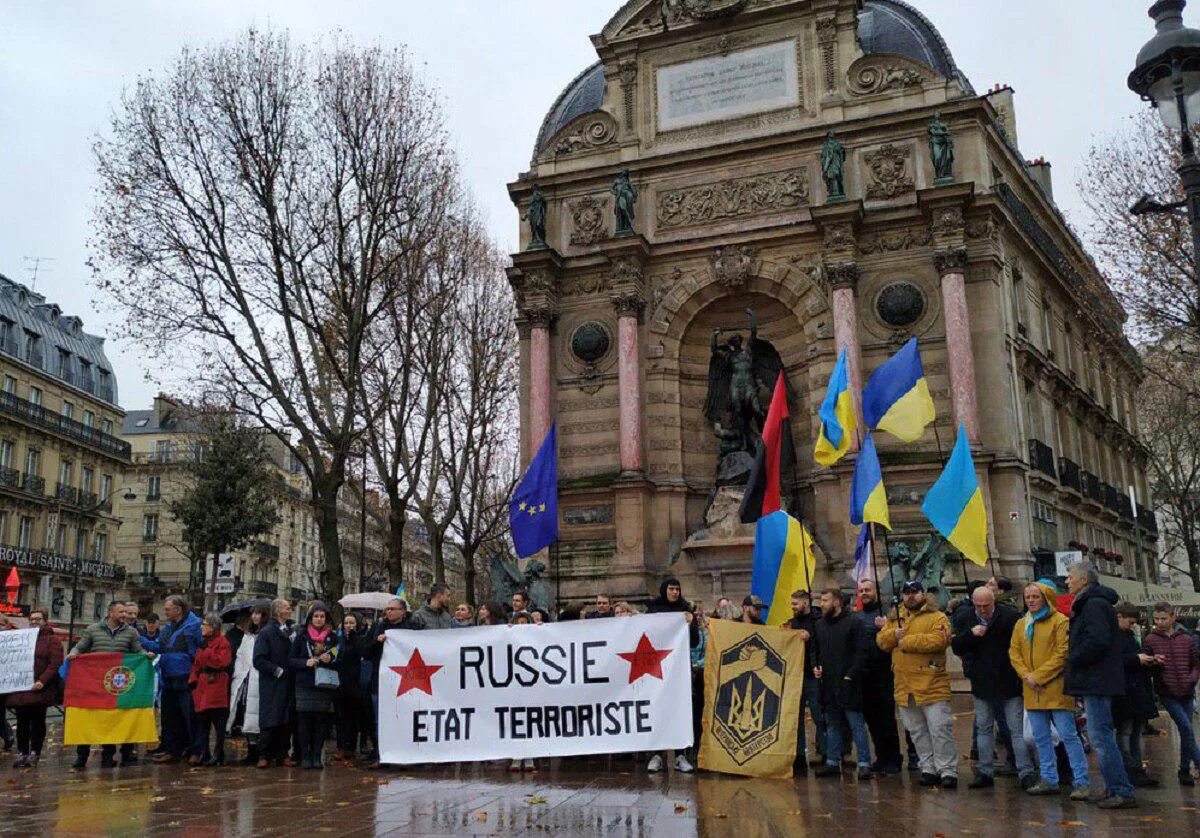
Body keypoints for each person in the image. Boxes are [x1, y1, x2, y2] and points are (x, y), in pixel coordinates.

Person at [1009, 580, 1091, 798]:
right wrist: (1027, 675)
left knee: (1068, 736)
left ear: (1045, 598)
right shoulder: (1021, 624)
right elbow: (1014, 653)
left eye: (1035, 597)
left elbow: (1062, 654)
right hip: (1032, 689)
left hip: (1056, 688)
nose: (1031, 601)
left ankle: (1081, 780)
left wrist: (1038, 676)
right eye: (1028, 597)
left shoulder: (1059, 621)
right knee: (1040, 737)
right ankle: (1049, 778)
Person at [1064, 561, 1136, 809]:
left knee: (1101, 737)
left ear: (1084, 580)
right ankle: (1113, 787)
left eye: (1070, 576)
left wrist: (1073, 657)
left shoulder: (1093, 604)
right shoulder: (1094, 603)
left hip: (1097, 680)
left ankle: (1121, 790)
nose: (1067, 581)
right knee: (1101, 736)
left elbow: (1098, 640)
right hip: (1097, 679)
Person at [951, 585, 1034, 790]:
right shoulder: (966, 617)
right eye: (978, 605)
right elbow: (956, 646)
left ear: (993, 601)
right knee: (984, 728)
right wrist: (971, 634)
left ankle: (1026, 771)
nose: (982, 609)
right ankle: (985, 771)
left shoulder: (1010, 616)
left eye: (986, 605)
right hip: (982, 682)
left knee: (1016, 730)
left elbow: (1021, 645)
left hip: (1008, 681)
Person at [877, 580, 958, 789]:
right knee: (916, 731)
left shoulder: (937, 616)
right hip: (904, 685)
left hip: (932, 682)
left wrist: (907, 642)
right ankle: (928, 767)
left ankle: (947, 769)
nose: (910, 596)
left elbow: (939, 640)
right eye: (906, 592)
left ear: (923, 594)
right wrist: (892, 635)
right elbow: (882, 642)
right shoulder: (895, 617)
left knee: (940, 729)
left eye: (914, 592)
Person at [67, 600, 151, 769]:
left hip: (117, 685)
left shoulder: (131, 632)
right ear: (110, 613)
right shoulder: (92, 629)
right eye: (121, 612)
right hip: (95, 683)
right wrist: (73, 654)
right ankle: (81, 756)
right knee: (89, 718)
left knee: (112, 719)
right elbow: (80, 647)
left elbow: (137, 651)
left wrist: (146, 656)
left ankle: (108, 755)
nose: (124, 615)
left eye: (125, 613)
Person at [812, 588, 872, 780]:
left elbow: (861, 652)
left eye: (825, 600)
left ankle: (864, 763)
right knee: (833, 724)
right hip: (828, 683)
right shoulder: (820, 625)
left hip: (849, 682)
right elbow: (817, 650)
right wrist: (816, 666)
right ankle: (832, 760)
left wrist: (851, 675)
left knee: (856, 724)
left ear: (837, 602)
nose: (822, 604)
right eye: (821, 600)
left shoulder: (854, 623)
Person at [139, 595, 203, 764]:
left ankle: (195, 750)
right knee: (170, 716)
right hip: (168, 676)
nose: (165, 612)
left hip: (186, 677)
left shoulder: (195, 625)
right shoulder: (169, 628)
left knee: (189, 716)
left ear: (178, 609)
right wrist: (140, 639)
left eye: (167, 609)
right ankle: (172, 749)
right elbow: (159, 646)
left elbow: (199, 650)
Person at [1142, 602, 1200, 787]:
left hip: (1187, 690)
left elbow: (1196, 663)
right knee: (1186, 728)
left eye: (1163, 618)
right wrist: (1153, 663)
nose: (1159, 622)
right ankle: (1194, 765)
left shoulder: (1186, 639)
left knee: (1186, 730)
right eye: (1157, 619)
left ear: (1172, 617)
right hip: (1167, 691)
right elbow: (1146, 666)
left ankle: (1184, 770)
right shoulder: (1150, 640)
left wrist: (1192, 679)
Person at [645, 577, 699, 773]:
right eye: (671, 589)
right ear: (664, 590)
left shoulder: (686, 610)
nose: (675, 592)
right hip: (656, 669)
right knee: (657, 709)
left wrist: (692, 623)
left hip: (678, 669)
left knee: (680, 710)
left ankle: (680, 755)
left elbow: (693, 642)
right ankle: (656, 755)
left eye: (677, 589)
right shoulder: (653, 609)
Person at [856, 579, 902, 774]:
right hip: (865, 674)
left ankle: (894, 757)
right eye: (861, 590)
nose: (864, 593)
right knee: (872, 719)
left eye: (867, 590)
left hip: (884, 672)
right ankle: (881, 756)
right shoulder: (857, 616)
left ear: (876, 591)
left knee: (886, 718)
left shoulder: (888, 614)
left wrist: (886, 626)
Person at [359, 597, 411, 766]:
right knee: (378, 718)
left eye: (392, 609)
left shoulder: (411, 628)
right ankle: (380, 753)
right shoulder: (378, 627)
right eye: (387, 609)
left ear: (402, 611)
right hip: (380, 681)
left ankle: (403, 753)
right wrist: (377, 642)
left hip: (405, 681)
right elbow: (365, 652)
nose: (388, 612)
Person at [8, 607, 62, 769]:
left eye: (38, 619)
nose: (34, 622)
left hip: (40, 688)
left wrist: (42, 681)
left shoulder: (52, 640)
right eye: (32, 619)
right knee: (21, 721)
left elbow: (54, 664)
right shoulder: (23, 638)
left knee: (38, 721)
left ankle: (34, 753)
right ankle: (22, 752)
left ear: (45, 621)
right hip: (21, 687)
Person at [1113, 603, 1160, 788]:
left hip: (1135, 691)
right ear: (1119, 617)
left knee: (1134, 733)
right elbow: (1115, 661)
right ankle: (1131, 770)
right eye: (1130, 622)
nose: (1132, 625)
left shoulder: (1128, 636)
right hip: (1126, 692)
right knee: (1126, 733)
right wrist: (1137, 659)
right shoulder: (1115, 637)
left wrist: (1149, 660)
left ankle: (1137, 769)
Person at [289, 601, 340, 769]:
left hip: (324, 685)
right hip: (305, 684)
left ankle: (317, 755)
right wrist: (305, 662)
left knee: (321, 722)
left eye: (322, 616)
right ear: (310, 618)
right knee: (304, 722)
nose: (319, 619)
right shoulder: (301, 635)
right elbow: (290, 660)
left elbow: (340, 659)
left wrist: (330, 660)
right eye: (316, 616)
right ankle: (305, 756)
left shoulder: (333, 637)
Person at [784, 589, 825, 773]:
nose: (792, 607)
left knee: (818, 715)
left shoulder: (818, 621)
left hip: (812, 675)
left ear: (805, 603)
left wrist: (810, 637)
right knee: (796, 717)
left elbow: (824, 643)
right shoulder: (791, 623)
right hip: (795, 675)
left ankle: (825, 752)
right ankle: (799, 754)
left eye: (795, 604)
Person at [253, 599, 296, 768]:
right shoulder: (267, 632)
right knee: (270, 718)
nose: (290, 610)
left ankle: (283, 753)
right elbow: (258, 660)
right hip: (272, 683)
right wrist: (276, 670)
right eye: (287, 608)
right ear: (278, 612)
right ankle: (264, 754)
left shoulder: (290, 631)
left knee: (285, 719)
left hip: (288, 682)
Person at [189, 613, 232, 766]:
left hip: (216, 685)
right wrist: (193, 681)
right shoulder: (204, 642)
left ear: (212, 628)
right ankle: (204, 752)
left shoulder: (222, 642)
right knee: (203, 723)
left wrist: (206, 651)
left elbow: (221, 662)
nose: (202, 627)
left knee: (218, 723)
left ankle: (218, 753)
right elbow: (196, 664)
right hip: (203, 686)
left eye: (205, 624)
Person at [229, 605, 267, 765]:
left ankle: (261, 752)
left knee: (258, 716)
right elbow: (241, 656)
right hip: (246, 680)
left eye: (258, 613)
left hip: (260, 681)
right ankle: (252, 750)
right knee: (247, 715)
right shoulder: (248, 636)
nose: (254, 617)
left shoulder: (265, 635)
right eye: (253, 614)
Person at [334, 612, 368, 760]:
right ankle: (341, 747)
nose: (348, 626)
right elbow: (334, 654)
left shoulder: (359, 639)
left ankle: (351, 747)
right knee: (340, 718)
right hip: (340, 683)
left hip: (355, 684)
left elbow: (362, 651)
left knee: (353, 717)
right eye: (346, 623)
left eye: (352, 623)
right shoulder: (339, 639)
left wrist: (353, 637)